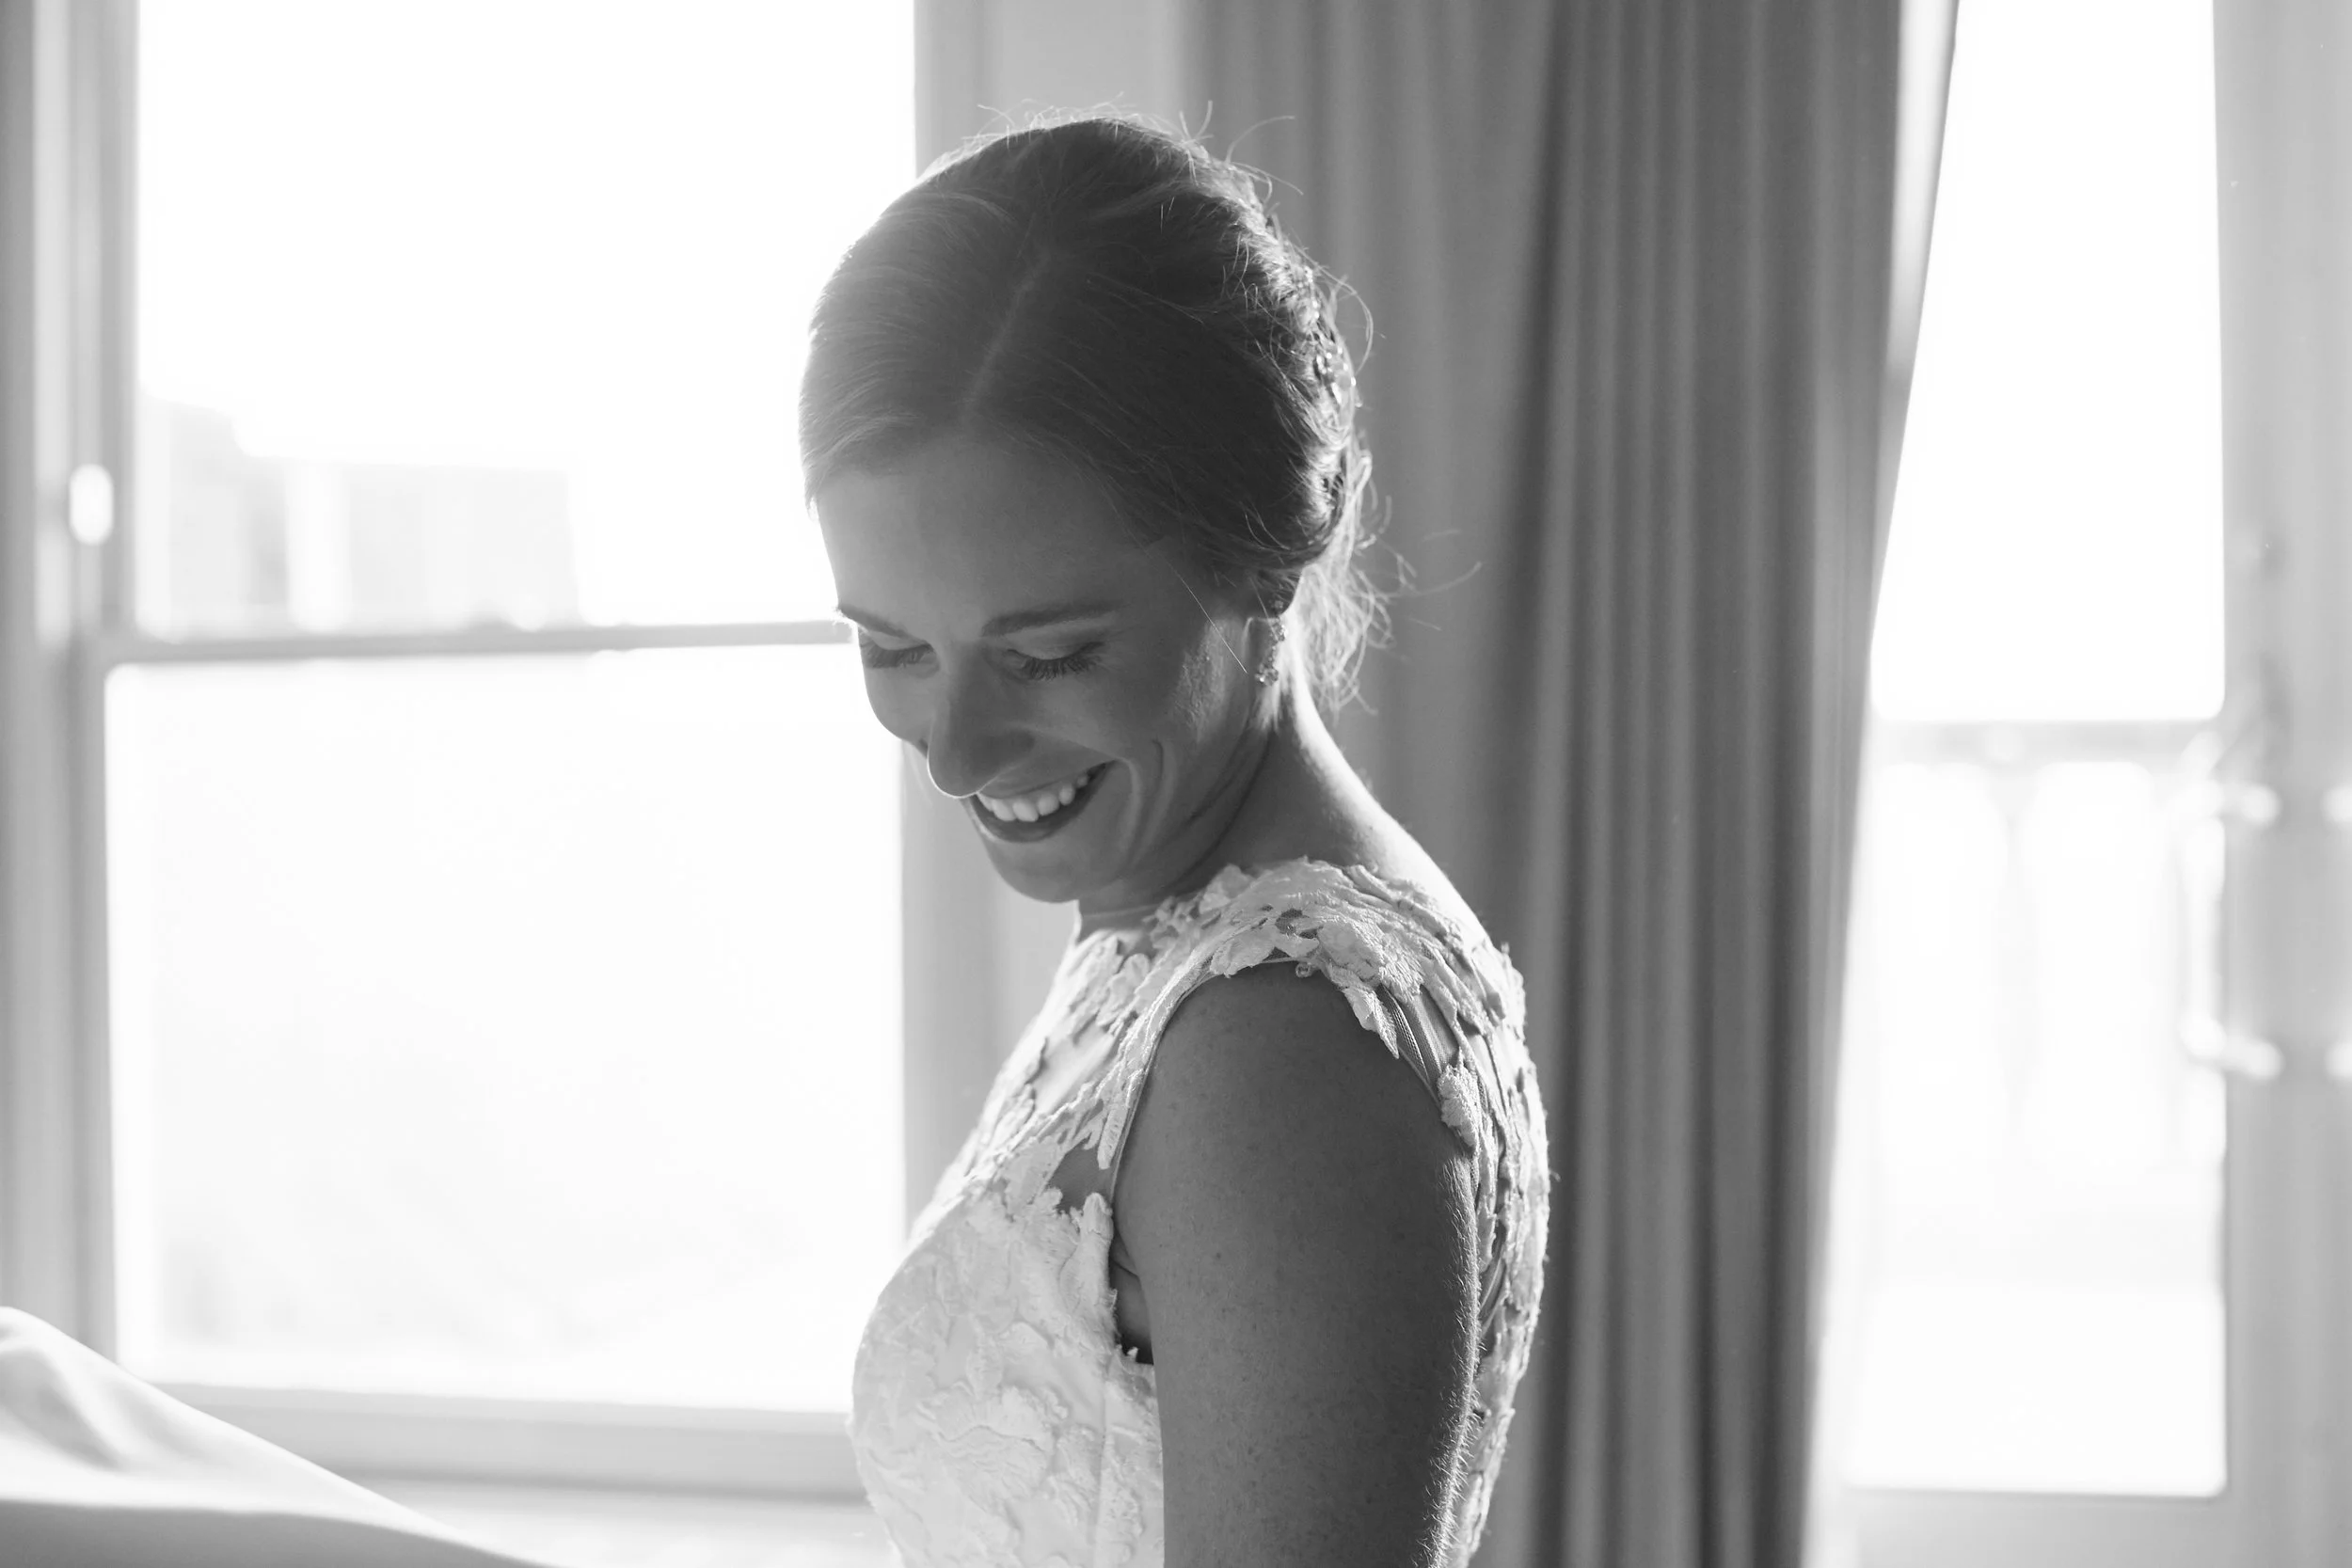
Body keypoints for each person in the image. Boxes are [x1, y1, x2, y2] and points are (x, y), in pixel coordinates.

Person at [806, 117, 1549, 1568]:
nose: (953, 750)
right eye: (893, 648)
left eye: (1049, 655)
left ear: (1267, 556)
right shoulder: (1182, 921)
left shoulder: (1280, 1049)